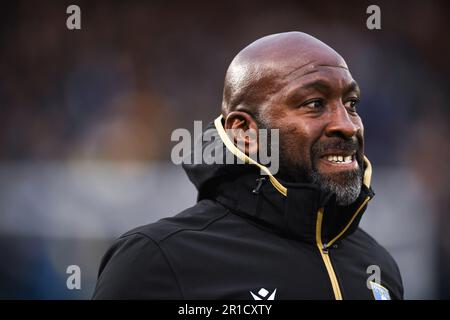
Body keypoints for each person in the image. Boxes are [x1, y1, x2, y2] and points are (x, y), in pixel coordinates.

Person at [92, 32, 404, 300]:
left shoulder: (378, 266)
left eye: (351, 104)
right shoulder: (156, 261)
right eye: (314, 104)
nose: (348, 126)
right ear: (245, 133)